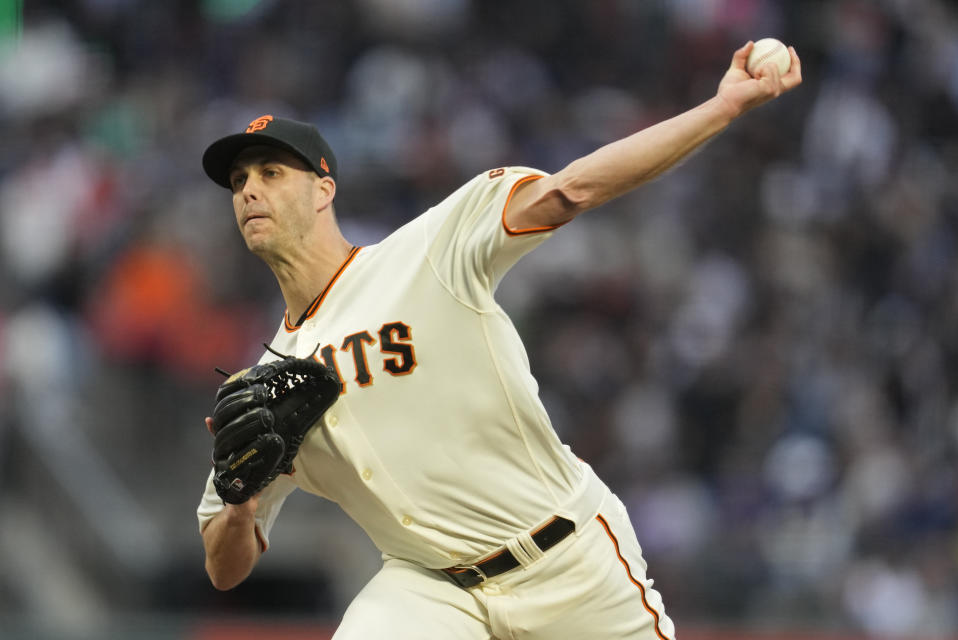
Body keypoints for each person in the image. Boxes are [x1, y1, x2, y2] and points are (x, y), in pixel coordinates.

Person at [196, 41, 802, 639]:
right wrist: (241, 500)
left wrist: (721, 108)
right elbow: (224, 569)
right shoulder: (264, 388)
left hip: (564, 558)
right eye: (239, 179)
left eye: (271, 173)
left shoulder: (430, 251)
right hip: (430, 590)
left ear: (324, 189)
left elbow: (571, 189)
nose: (249, 190)